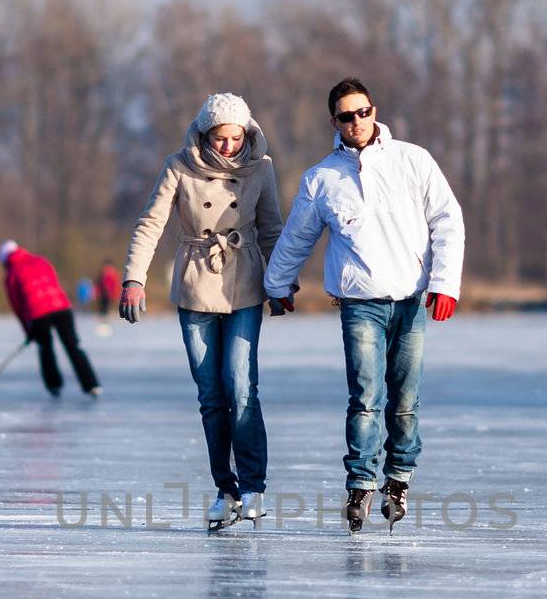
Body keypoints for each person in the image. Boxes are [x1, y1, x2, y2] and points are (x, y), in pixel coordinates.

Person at [263, 77, 464, 533]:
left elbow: (447, 220)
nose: (357, 122)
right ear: (333, 121)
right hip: (359, 303)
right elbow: (297, 238)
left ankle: (398, 479)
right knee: (366, 398)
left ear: (375, 110)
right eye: (346, 116)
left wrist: (445, 282)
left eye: (364, 112)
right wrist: (277, 283)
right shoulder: (322, 178)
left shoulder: (413, 160)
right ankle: (360, 483)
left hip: (411, 299)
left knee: (405, 400)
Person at [120, 92, 283, 531]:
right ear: (204, 133)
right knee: (211, 396)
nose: (227, 147)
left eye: (235, 138)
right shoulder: (179, 166)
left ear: (247, 134)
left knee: (241, 386)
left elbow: (271, 229)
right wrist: (134, 279)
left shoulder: (261, 169)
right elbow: (150, 223)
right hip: (195, 285)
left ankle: (253, 487)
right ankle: (225, 490)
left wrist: (281, 283)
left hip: (244, 284)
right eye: (219, 138)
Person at [0, 240, 100, 397]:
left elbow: (17, 306)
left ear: (5, 259)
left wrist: (28, 330)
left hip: (38, 313)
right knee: (73, 345)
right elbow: (54, 282)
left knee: (45, 349)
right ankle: (91, 384)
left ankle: (54, 386)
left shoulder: (11, 274)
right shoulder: (40, 260)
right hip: (61, 307)